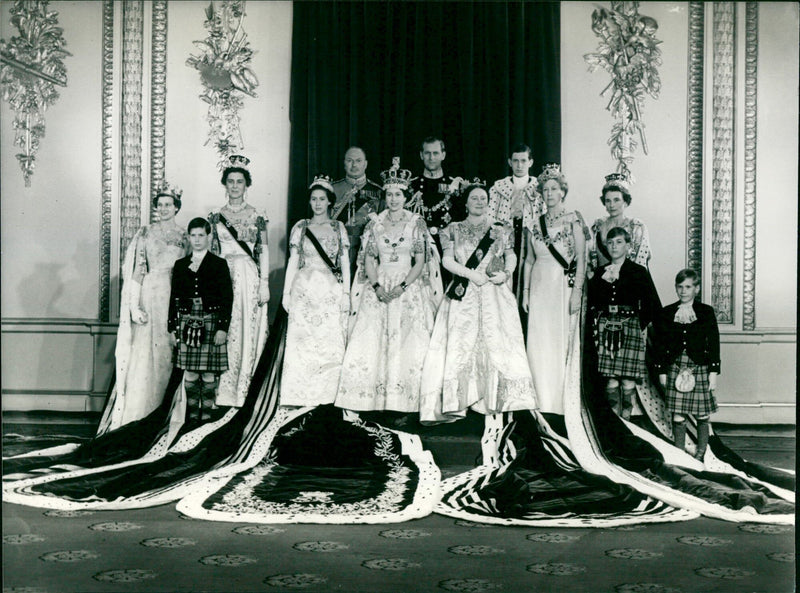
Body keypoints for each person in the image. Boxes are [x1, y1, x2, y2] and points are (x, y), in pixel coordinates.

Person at [420, 180, 537, 424]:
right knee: (463, 343)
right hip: (465, 290)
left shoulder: (501, 228)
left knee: (497, 341)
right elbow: (447, 261)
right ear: (466, 202)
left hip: (495, 290)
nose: (480, 202)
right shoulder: (452, 228)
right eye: (474, 198)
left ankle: (495, 399)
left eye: (483, 198)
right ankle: (461, 401)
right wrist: (471, 274)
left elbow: (511, 255)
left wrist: (506, 274)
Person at [336, 157, 442, 413]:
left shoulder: (416, 223)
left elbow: (420, 262)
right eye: (390, 194)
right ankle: (369, 400)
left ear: (406, 196)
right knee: (374, 341)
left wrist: (403, 286)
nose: (394, 199)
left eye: (398, 194)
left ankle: (405, 402)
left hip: (408, 287)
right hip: (380, 287)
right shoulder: (375, 223)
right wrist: (377, 286)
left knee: (409, 344)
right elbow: (369, 259)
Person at [96, 180, 188, 434]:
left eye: (169, 204)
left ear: (177, 207)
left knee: (169, 352)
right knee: (145, 353)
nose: (164, 208)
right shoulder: (146, 232)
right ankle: (140, 413)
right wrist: (134, 306)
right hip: (150, 294)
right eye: (160, 205)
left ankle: (164, 413)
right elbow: (137, 270)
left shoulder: (184, 236)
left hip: (174, 297)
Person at [521, 164, 588, 416]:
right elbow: (528, 260)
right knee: (540, 342)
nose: (549, 193)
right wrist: (525, 293)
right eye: (545, 189)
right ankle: (539, 400)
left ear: (562, 192)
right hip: (539, 287)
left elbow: (582, 258)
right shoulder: (534, 223)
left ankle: (561, 403)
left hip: (562, 287)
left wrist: (577, 293)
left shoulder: (574, 220)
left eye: (554, 189)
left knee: (559, 343)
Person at [281, 176, 351, 406]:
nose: (318, 203)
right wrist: (286, 293)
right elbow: (293, 260)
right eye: (314, 199)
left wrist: (346, 294)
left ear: (330, 202)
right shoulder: (300, 227)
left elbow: (344, 262)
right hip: (304, 289)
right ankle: (298, 393)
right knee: (303, 341)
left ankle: (327, 394)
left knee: (328, 341)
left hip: (330, 289)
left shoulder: (337, 227)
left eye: (322, 199)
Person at [208, 154, 270, 408]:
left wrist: (264, 282)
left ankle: (245, 389)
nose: (235, 186)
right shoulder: (215, 216)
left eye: (240, 181)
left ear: (247, 185)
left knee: (246, 328)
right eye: (231, 181)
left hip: (248, 277)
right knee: (227, 328)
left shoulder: (258, 215)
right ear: (225, 184)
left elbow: (263, 250)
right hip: (224, 275)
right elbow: (212, 252)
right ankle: (222, 391)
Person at [587, 227, 661, 420]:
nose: (614, 246)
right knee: (610, 380)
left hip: (630, 328)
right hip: (605, 328)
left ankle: (627, 423)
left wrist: (636, 325)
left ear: (628, 246)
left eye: (619, 242)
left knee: (628, 380)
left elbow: (651, 304)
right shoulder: (599, 273)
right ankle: (615, 424)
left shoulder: (638, 272)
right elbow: (592, 304)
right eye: (610, 243)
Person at [168, 218, 234, 425]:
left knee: (207, 372)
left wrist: (222, 328)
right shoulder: (180, 265)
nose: (196, 240)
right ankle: (191, 416)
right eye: (193, 235)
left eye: (201, 235)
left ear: (209, 237)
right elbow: (174, 297)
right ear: (188, 237)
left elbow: (227, 298)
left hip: (210, 321)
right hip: (187, 321)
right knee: (189, 370)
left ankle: (206, 417)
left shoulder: (219, 264)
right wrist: (172, 327)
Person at [653, 269, 720, 462]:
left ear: (696, 289)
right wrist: (661, 371)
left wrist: (713, 372)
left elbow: (713, 342)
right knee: (678, 414)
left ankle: (701, 453)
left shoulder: (706, 312)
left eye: (688, 287)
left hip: (699, 367)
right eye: (680, 287)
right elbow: (659, 344)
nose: (683, 291)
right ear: (676, 288)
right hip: (674, 366)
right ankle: (679, 453)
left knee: (701, 413)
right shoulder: (667, 312)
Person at [331, 147, 384, 276]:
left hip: (365, 249)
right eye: (349, 160)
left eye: (358, 161)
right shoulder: (332, 189)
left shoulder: (378, 192)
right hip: (338, 247)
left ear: (365, 164)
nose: (354, 165)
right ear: (344, 163)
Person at [408, 136, 465, 258]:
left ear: (443, 155)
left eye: (435, 153)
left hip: (447, 249)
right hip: (418, 248)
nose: (431, 158)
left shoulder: (454, 186)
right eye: (427, 153)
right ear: (421, 155)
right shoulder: (411, 185)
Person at [589, 173, 652, 274]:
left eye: (616, 200)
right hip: (602, 282)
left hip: (630, 281)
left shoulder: (636, 227)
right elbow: (591, 260)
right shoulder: (597, 226)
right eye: (608, 201)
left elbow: (641, 262)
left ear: (625, 202)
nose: (612, 205)